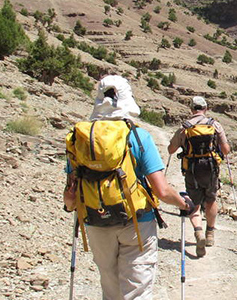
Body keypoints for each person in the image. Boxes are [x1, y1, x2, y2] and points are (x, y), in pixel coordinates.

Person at [63, 75, 196, 300]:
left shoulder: (80, 139)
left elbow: (70, 199)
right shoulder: (138, 136)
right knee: (137, 291)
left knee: (110, 286)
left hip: (95, 221)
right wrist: (184, 203)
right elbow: (162, 191)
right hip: (136, 223)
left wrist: (73, 207)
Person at [167, 96, 231, 257]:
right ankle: (210, 234)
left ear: (191, 109)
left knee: (194, 203)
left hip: (192, 170)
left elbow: (171, 150)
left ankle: (198, 232)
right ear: (205, 108)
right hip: (211, 169)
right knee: (210, 200)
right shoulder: (214, 125)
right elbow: (226, 150)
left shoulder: (185, 128)